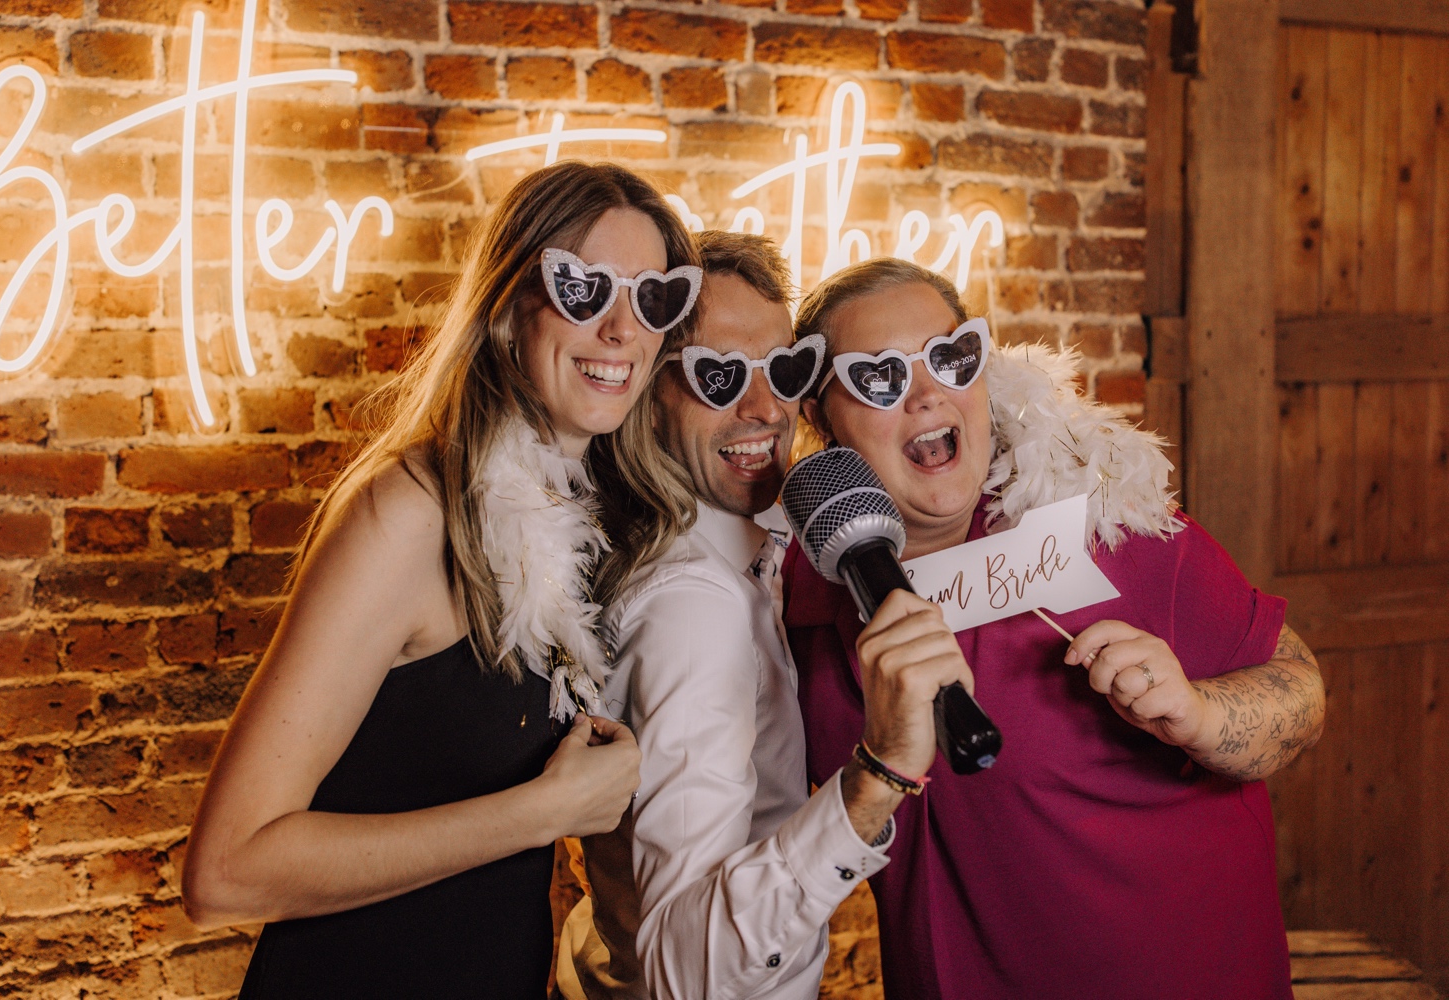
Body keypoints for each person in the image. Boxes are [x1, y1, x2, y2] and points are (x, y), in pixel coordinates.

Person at [182, 161, 704, 999]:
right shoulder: (413, 512)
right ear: (509, 308)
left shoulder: (575, 521)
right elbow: (226, 871)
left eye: (652, 299)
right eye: (582, 288)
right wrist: (542, 813)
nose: (620, 328)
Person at [783, 257, 1327, 999]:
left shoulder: (1104, 524)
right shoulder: (799, 599)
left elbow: (1301, 692)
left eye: (952, 356)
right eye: (878, 378)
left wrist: (1197, 716)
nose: (927, 392)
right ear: (821, 417)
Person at [556, 232, 961, 1000]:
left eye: (784, 371)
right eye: (717, 377)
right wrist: (876, 778)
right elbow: (687, 972)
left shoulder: (747, 559)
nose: (764, 408)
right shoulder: (693, 609)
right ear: (647, 391)